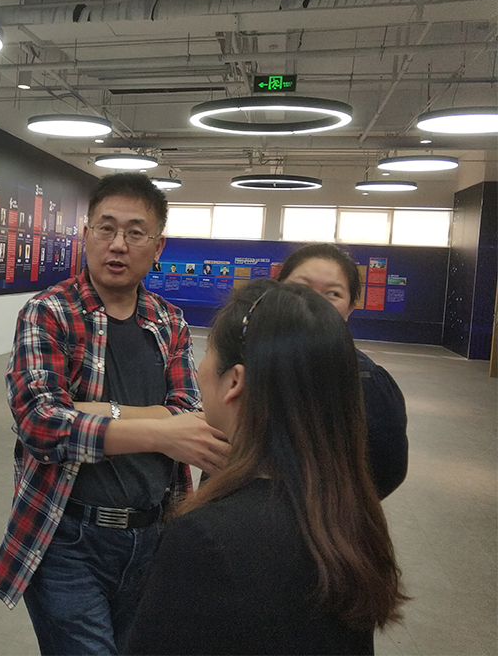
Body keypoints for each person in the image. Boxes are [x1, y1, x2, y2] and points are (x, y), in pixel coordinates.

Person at [0, 172, 231, 655]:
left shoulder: (169, 321)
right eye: (106, 228)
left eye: (135, 233)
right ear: (86, 235)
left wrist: (96, 412)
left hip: (153, 536)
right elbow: (41, 424)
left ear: (158, 246)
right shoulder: (49, 312)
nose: (118, 244)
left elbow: (190, 411)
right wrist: (162, 433)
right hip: (67, 537)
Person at [126, 279, 407, 655]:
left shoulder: (206, 538)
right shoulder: (346, 516)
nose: (201, 369)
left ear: (234, 382)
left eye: (208, 353)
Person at [277, 243, 408, 498]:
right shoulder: (245, 359)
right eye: (300, 287)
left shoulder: (367, 383)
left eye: (333, 293)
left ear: (350, 309)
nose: (314, 301)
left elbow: (387, 470)